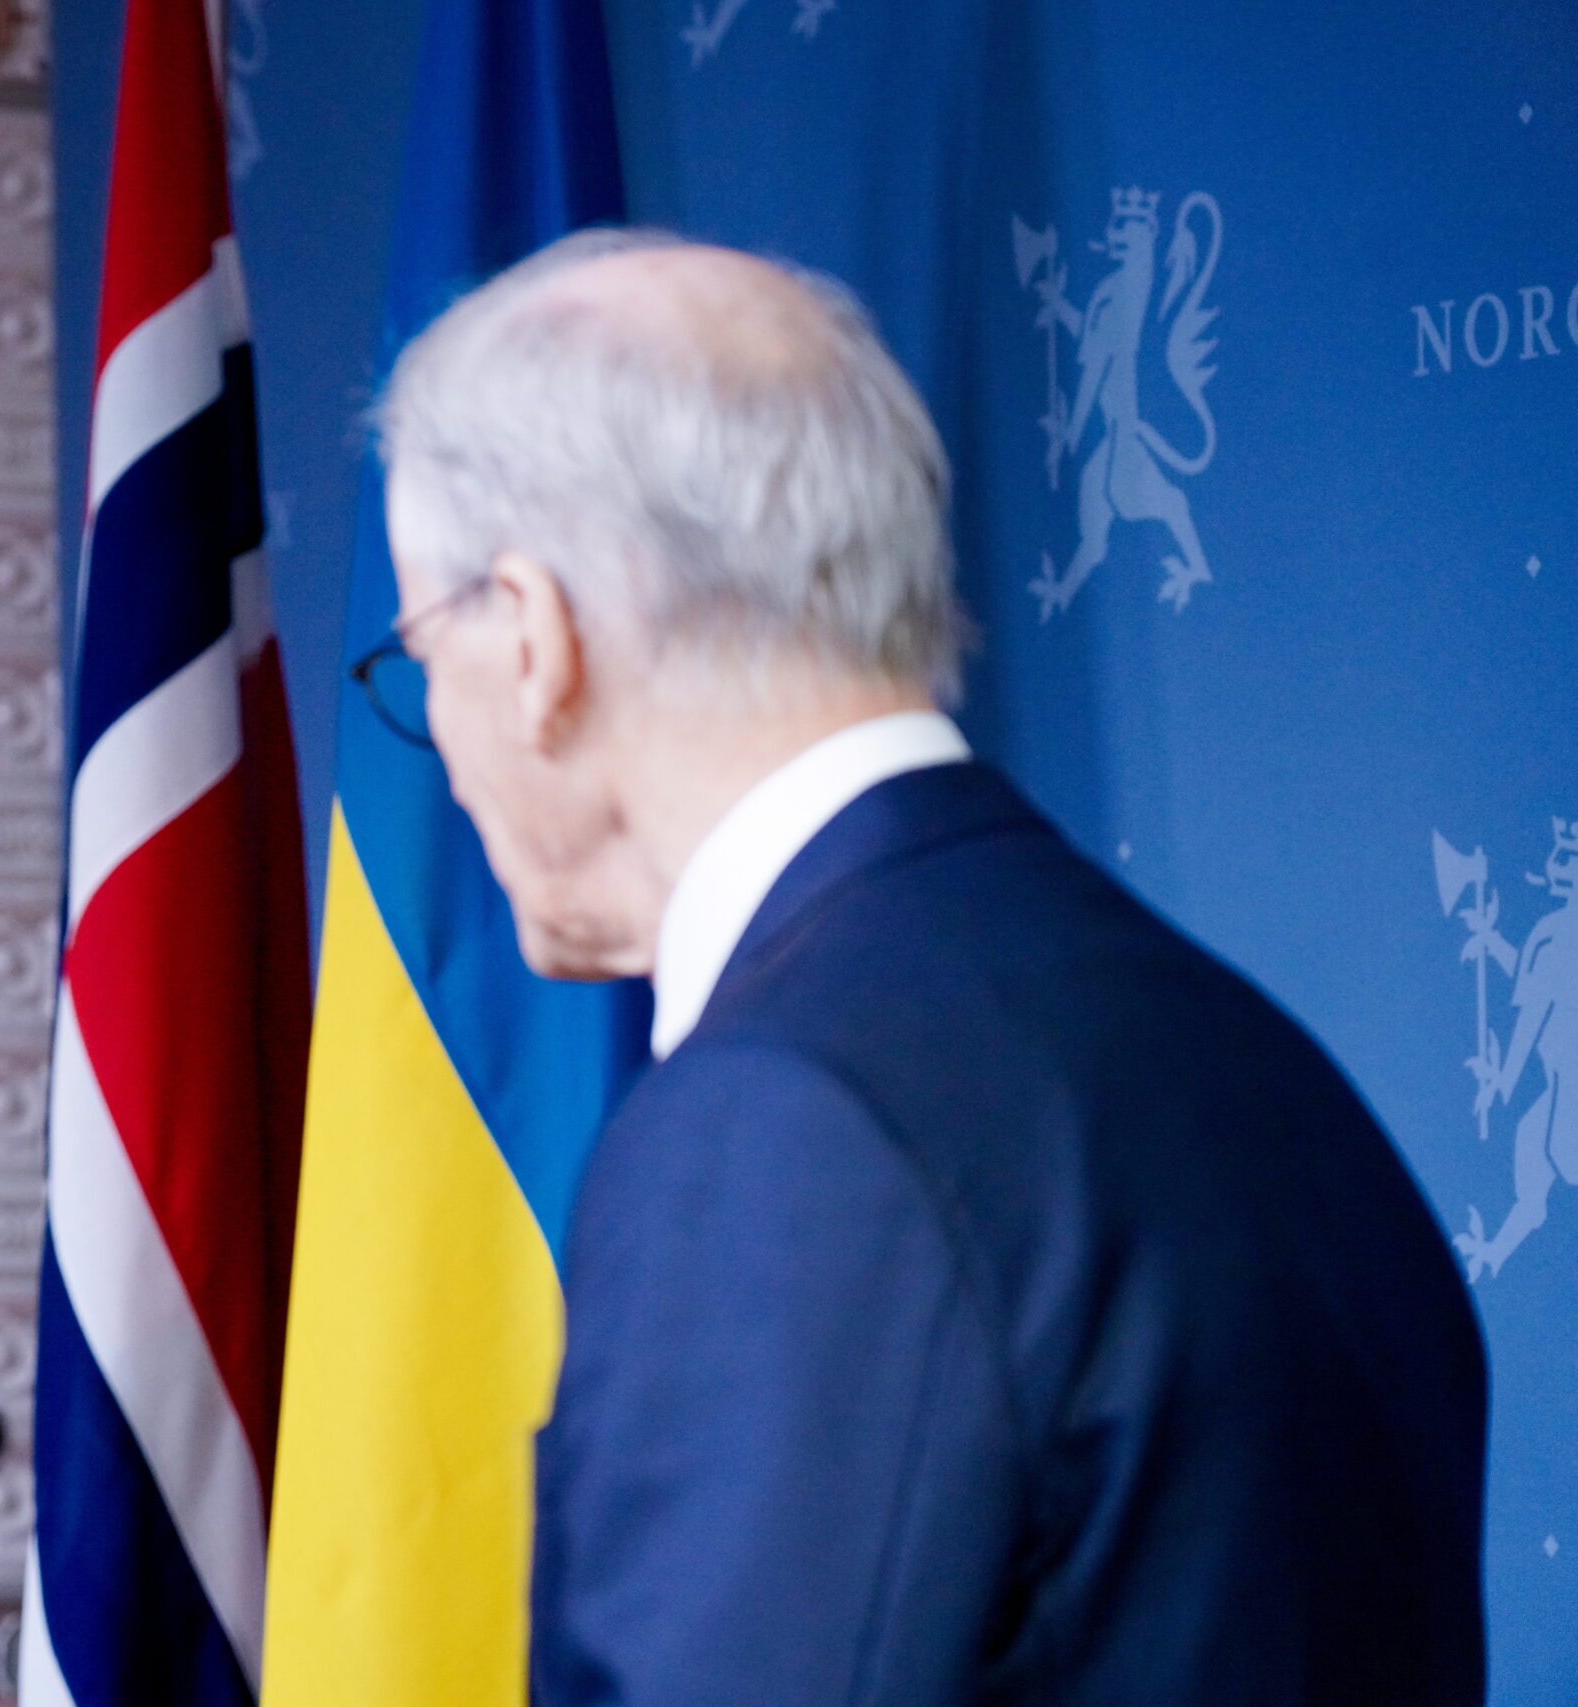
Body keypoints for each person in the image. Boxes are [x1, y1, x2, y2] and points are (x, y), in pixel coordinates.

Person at [368, 232, 1486, 1704]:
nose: (440, 744)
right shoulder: (1262, 1073)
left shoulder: (783, 1126)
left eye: (418, 652)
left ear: (533, 637)